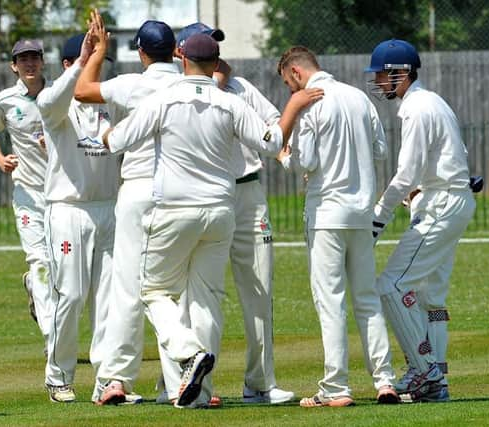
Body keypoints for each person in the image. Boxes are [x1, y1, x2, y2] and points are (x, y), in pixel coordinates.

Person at [103, 34, 321, 408]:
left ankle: (189, 354)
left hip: (174, 209)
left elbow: (117, 142)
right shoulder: (229, 102)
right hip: (221, 212)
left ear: (182, 59)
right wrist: (293, 108)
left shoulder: (163, 98)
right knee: (207, 299)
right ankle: (197, 396)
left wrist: (104, 131)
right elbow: (271, 143)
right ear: (216, 62)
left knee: (152, 291)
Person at [160, 22, 294, 406]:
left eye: (216, 47)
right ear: (183, 54)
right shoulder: (173, 93)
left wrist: (283, 147)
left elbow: (273, 125)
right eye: (206, 49)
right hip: (202, 200)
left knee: (259, 289)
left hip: (248, 193)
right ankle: (192, 387)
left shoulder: (241, 89)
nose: (215, 56)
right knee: (193, 297)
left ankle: (260, 383)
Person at [276, 46, 400, 407]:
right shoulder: (359, 97)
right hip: (361, 213)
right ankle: (385, 381)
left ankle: (336, 388)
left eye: (288, 84)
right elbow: (380, 150)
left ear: (296, 73)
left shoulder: (309, 102)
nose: (290, 92)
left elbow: (308, 160)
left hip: (327, 214)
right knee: (366, 298)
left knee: (331, 302)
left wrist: (286, 158)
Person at [74, 12, 181, 405]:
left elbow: (82, 90)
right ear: (175, 51)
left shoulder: (133, 83)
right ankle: (180, 382)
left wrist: (99, 51)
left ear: (141, 52)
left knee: (127, 288)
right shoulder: (189, 84)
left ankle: (116, 378)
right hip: (181, 196)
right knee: (174, 290)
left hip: (138, 190)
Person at [365, 39, 476, 402]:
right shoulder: (433, 101)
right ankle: (434, 379)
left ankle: (424, 370)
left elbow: (406, 173)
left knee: (391, 286)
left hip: (441, 204)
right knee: (429, 294)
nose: (379, 82)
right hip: (449, 200)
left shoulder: (417, 108)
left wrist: (377, 219)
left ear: (402, 73)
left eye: (382, 75)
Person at [37, 32, 121, 403]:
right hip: (67, 209)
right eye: (88, 62)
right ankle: (58, 376)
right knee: (70, 296)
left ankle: (106, 378)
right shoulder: (57, 104)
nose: (96, 70)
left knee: (107, 299)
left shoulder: (107, 103)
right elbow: (50, 100)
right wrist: (81, 65)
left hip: (107, 207)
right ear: (70, 66)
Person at [0, 39, 51, 348]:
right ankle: (53, 338)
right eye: (23, 59)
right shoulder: (4, 100)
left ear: (42, 61)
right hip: (26, 191)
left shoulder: (59, 96)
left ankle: (34, 289)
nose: (29, 63)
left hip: (63, 194)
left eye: (34, 57)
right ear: (14, 66)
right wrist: (0, 159)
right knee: (39, 261)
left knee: (63, 269)